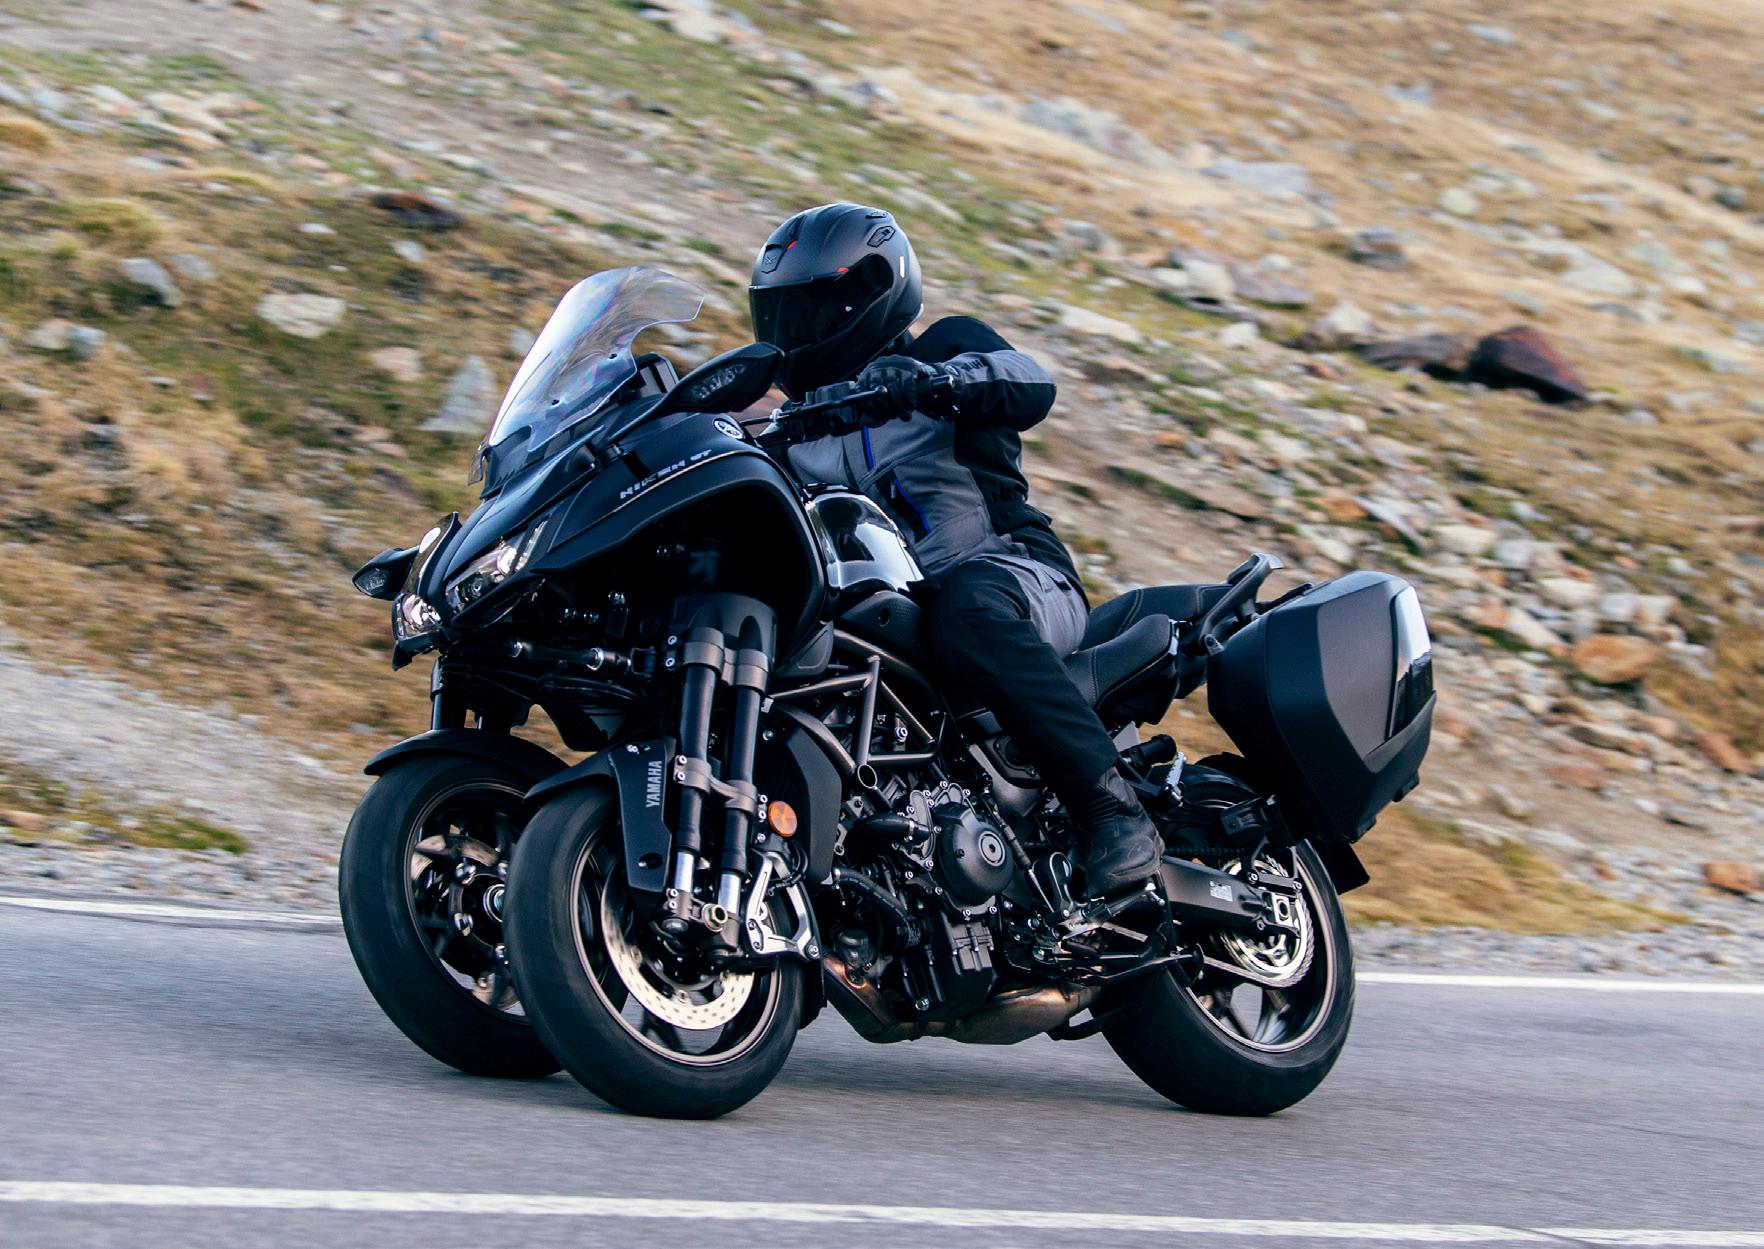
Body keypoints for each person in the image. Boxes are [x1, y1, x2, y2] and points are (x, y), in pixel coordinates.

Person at [748, 202, 1162, 896]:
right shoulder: (798, 426)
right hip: (898, 610)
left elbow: (1030, 382)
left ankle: (1113, 811)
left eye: (815, 311)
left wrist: (938, 383)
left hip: (1014, 573)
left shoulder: (942, 349)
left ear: (870, 297)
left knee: (966, 611)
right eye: (783, 315)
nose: (798, 333)